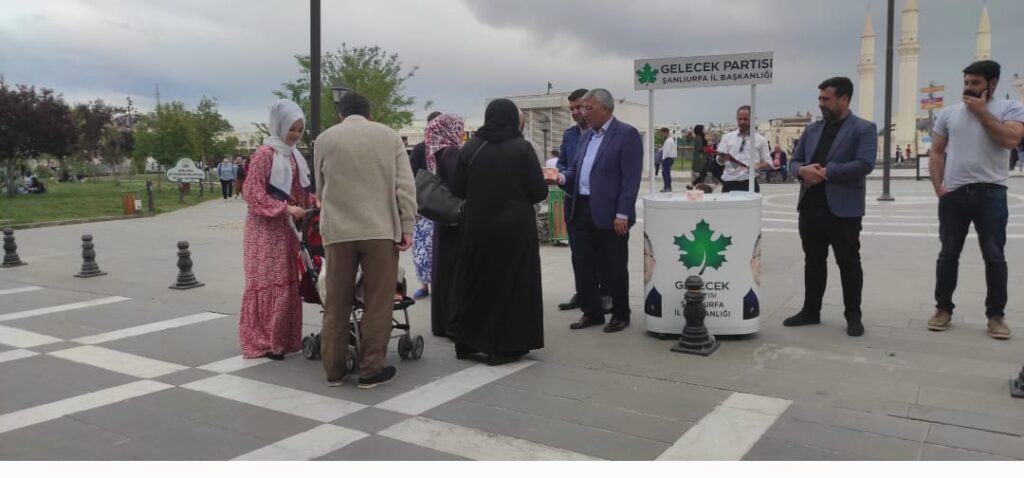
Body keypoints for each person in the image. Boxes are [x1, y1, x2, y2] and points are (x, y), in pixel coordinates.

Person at [314, 92, 417, 388]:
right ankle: (371, 370)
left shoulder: (324, 140)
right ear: (370, 115)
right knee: (378, 302)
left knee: (336, 302)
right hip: (380, 231)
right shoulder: (389, 137)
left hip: (338, 232)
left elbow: (321, 190)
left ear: (340, 115)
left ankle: (334, 370)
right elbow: (405, 187)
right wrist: (406, 225)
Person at [926, 60, 1024, 339]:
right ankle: (942, 309)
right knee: (948, 254)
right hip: (954, 194)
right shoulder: (949, 113)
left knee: (994, 256)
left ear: (992, 84)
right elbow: (936, 151)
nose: (968, 88)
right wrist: (938, 186)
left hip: (991, 192)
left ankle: (996, 316)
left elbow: (1011, 140)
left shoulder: (1010, 109)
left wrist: (982, 113)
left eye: (975, 83)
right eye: (967, 82)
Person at [449, 99, 547, 364]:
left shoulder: (471, 147)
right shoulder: (521, 148)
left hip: (477, 227)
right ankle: (504, 346)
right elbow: (539, 191)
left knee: (477, 283)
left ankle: (467, 342)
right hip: (514, 230)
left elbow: (457, 189)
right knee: (511, 286)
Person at [784, 76, 877, 337]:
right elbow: (794, 162)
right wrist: (802, 170)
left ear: (844, 99)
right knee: (813, 261)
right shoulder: (812, 130)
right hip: (811, 207)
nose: (821, 104)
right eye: (820, 99)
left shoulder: (864, 128)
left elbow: (865, 164)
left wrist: (825, 172)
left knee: (848, 262)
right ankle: (811, 310)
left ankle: (853, 315)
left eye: (826, 99)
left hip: (843, 210)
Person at [557, 88, 643, 333]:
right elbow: (575, 169)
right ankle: (592, 312)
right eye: (582, 108)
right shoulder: (586, 136)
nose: (583, 113)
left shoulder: (626, 135)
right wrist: (562, 177)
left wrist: (623, 214)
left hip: (611, 212)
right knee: (582, 263)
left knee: (613, 266)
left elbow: (631, 179)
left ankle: (620, 313)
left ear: (606, 108)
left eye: (588, 108)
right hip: (581, 208)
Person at [239, 99, 317, 361]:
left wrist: (313, 202)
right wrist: (285, 209)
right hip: (264, 229)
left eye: (299, 130)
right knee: (268, 281)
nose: (295, 135)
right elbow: (251, 192)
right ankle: (266, 341)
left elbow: (299, 190)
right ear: (279, 126)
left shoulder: (293, 155)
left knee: (285, 280)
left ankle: (282, 339)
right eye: (291, 129)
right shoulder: (264, 154)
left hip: (286, 231)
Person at [425, 113, 466, 338]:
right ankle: (451, 323)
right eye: (459, 127)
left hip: (443, 219)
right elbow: (460, 184)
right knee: (453, 271)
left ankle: (441, 322)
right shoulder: (451, 152)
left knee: (442, 271)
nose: (460, 131)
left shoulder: (437, 149)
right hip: (453, 220)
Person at [409, 111, 442, 299]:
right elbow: (411, 173)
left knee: (437, 247)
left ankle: (439, 283)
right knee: (422, 247)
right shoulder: (421, 148)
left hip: (442, 204)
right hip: (424, 204)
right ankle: (424, 285)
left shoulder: (450, 148)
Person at [715, 106, 772, 192]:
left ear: (752, 120)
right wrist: (721, 158)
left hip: (750, 184)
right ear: (736, 119)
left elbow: (768, 163)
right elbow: (719, 161)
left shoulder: (761, 140)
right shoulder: (727, 137)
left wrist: (757, 166)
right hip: (729, 183)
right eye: (740, 119)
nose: (742, 122)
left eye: (745, 119)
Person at [660, 127, 676, 192]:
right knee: (665, 173)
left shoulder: (669, 140)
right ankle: (667, 187)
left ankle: (667, 187)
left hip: (667, 158)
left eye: (662, 134)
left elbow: (667, 151)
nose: (661, 135)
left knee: (666, 173)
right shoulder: (669, 140)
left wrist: (663, 159)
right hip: (668, 158)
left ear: (665, 133)